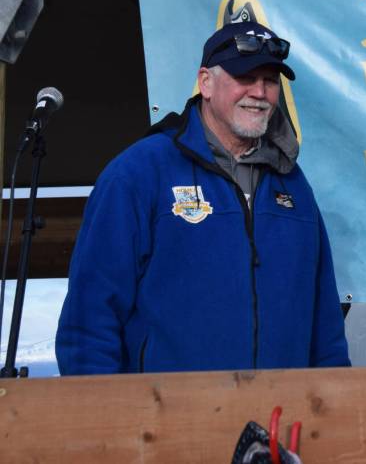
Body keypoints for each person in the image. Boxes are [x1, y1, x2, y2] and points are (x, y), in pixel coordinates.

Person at [56, 21, 351, 374]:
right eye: (245, 77)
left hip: (279, 419)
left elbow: (325, 327)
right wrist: (106, 421)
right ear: (206, 82)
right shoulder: (139, 172)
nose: (259, 92)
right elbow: (89, 317)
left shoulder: (293, 185)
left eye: (270, 81)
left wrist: (333, 405)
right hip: (165, 421)